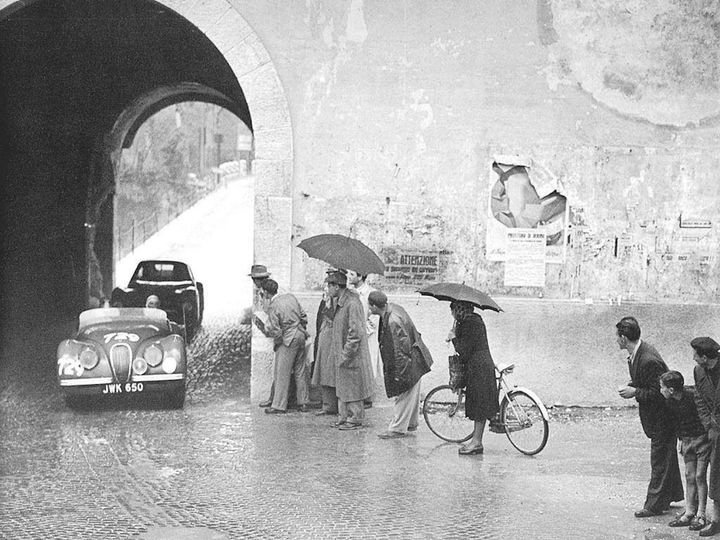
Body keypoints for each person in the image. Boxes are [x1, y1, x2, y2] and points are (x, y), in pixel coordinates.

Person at [616, 316, 683, 517]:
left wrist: (634, 392)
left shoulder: (647, 359)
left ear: (623, 338)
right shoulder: (639, 352)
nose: (616, 340)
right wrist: (634, 384)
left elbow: (658, 393)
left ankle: (653, 505)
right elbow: (648, 382)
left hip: (663, 417)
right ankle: (670, 494)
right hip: (660, 417)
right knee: (666, 457)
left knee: (659, 459)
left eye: (617, 337)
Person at [368, 290, 433, 439]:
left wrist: (400, 376)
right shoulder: (392, 309)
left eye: (369, 306)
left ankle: (397, 428)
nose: (369, 309)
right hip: (416, 358)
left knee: (404, 393)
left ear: (374, 306)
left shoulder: (393, 321)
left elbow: (400, 353)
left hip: (409, 362)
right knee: (412, 394)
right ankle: (410, 423)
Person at [660, 370, 710, 531]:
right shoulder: (670, 402)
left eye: (662, 387)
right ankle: (689, 512)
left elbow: (704, 415)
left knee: (700, 476)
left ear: (671, 390)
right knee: (689, 476)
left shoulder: (693, 396)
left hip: (702, 440)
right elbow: (676, 423)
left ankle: (701, 513)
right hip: (687, 441)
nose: (661, 390)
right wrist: (681, 440)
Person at [448, 300, 499, 455]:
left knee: (479, 406)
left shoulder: (469, 324)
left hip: (478, 368)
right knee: (481, 403)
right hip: (481, 365)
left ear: (459, 309)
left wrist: (454, 338)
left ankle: (476, 442)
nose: (452, 314)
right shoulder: (474, 320)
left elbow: (464, 350)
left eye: (453, 310)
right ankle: (476, 440)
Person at [324, 270, 374, 430]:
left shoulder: (352, 303)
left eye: (329, 286)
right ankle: (344, 416)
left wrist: (346, 353)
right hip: (343, 352)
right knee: (344, 386)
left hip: (352, 355)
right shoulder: (341, 301)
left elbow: (355, 332)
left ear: (336, 287)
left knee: (353, 386)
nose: (327, 290)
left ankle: (355, 418)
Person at [253, 279, 310, 414]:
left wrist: (276, 342)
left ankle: (279, 405)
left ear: (266, 293)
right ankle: (303, 402)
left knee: (282, 372)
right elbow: (303, 316)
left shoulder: (274, 306)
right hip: (301, 335)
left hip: (287, 339)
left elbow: (275, 330)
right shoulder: (291, 297)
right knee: (300, 370)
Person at [692, 336, 720, 537]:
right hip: (715, 431)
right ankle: (717, 520)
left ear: (705, 357)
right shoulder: (699, 371)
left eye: (695, 354)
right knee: (716, 477)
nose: (693, 358)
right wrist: (708, 424)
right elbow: (699, 399)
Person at [346, 269, 380, 409]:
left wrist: (362, 330)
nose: (348, 277)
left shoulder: (370, 293)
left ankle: (367, 397)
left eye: (352, 274)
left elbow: (374, 317)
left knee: (368, 364)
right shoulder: (350, 293)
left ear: (360, 277)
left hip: (367, 336)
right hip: (354, 333)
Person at [311, 279, 339, 416]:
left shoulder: (340, 301)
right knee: (323, 371)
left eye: (330, 285)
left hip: (332, 338)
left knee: (331, 372)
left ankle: (333, 405)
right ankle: (327, 404)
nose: (327, 288)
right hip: (323, 336)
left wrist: (328, 310)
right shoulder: (326, 299)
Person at [249, 264, 275, 408]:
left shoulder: (267, 293)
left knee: (278, 370)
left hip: (274, 333)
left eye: (255, 280)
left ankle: (275, 399)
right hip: (271, 332)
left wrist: (267, 329)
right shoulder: (262, 292)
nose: (254, 282)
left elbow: (271, 313)